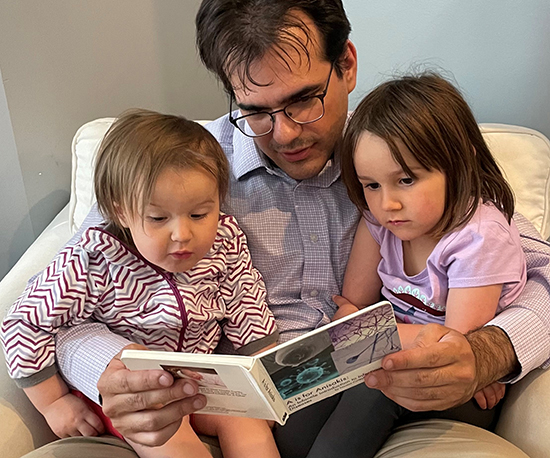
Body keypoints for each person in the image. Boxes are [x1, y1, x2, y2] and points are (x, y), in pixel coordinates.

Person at [19, 1, 550, 457]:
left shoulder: (398, 161)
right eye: (255, 111)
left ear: (346, 64)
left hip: (385, 403)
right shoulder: (174, 172)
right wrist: (113, 373)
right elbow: (61, 303)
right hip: (210, 414)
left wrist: (490, 350)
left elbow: (533, 268)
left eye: (302, 100)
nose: (285, 132)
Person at [1, 110, 280, 458]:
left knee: (247, 421)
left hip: (199, 380)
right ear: (121, 212)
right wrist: (53, 403)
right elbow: (24, 323)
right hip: (130, 395)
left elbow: (246, 304)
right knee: (169, 435)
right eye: (158, 218)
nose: (182, 234)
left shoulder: (225, 241)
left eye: (199, 214)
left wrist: (264, 365)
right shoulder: (92, 258)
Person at [297, 72, 527, 458]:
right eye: (371, 185)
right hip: (398, 356)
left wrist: (366, 333)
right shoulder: (379, 222)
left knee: (377, 384)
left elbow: (450, 350)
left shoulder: (480, 237)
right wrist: (361, 329)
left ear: (459, 164)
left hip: (461, 386)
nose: (387, 203)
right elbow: (352, 307)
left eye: (405, 179)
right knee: (301, 416)